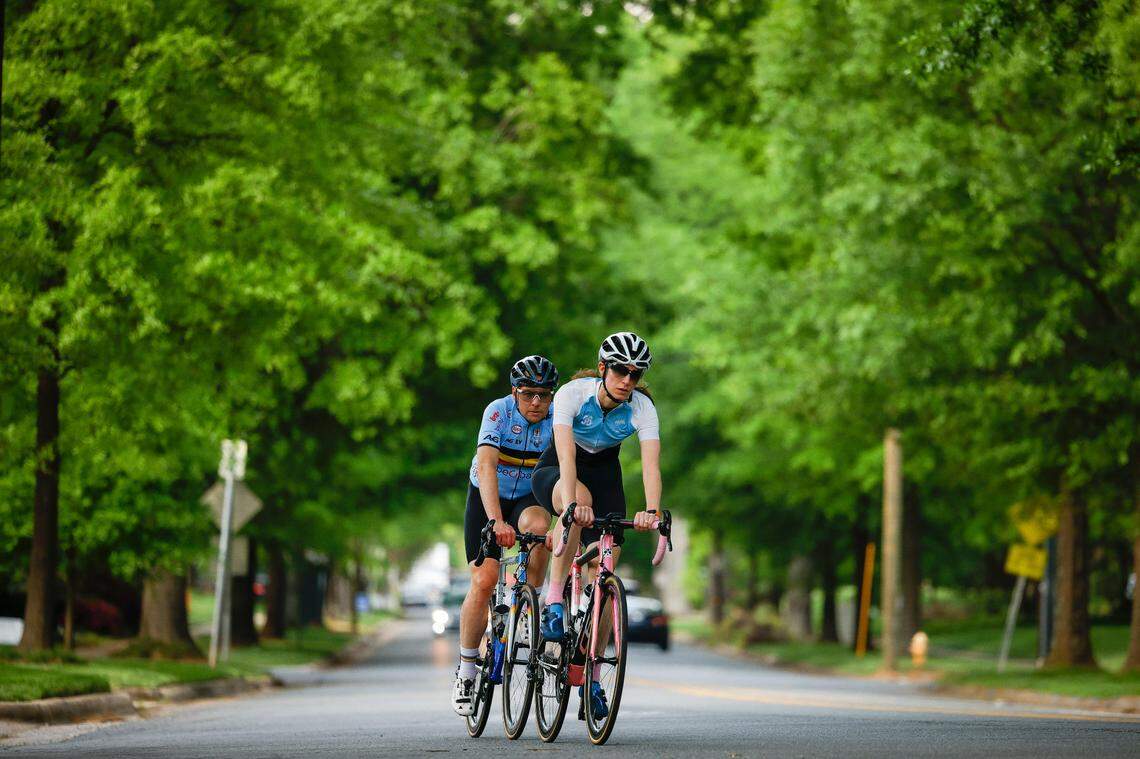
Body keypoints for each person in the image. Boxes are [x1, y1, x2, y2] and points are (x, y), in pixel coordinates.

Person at [531, 331, 663, 719]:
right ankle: (554, 599)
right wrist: (571, 503)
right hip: (559, 469)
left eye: (635, 374)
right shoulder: (573, 395)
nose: (627, 380)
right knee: (580, 504)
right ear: (603, 368)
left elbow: (651, 467)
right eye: (620, 370)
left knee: (605, 574)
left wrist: (652, 511)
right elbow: (567, 458)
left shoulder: (642, 408)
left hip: (606, 475)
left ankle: (591, 675)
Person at [452, 355, 558, 717]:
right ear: (515, 392)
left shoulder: (557, 417)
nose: (536, 403)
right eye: (528, 394)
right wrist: (497, 521)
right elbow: (486, 465)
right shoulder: (497, 412)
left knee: (541, 529)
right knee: (484, 580)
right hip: (488, 493)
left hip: (529, 494)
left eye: (544, 395)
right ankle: (467, 670)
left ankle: (532, 602)